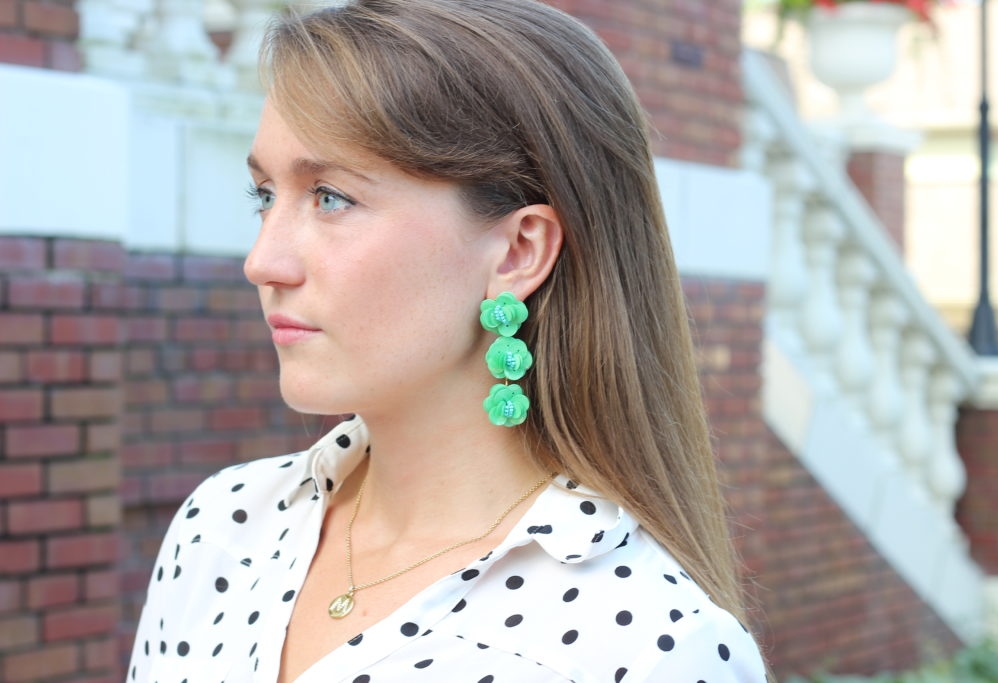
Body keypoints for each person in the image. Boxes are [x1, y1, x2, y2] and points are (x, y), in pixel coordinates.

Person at [126, 1, 769, 681]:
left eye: (331, 197)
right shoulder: (222, 527)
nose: (263, 261)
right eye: (265, 196)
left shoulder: (649, 643)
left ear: (519, 251)